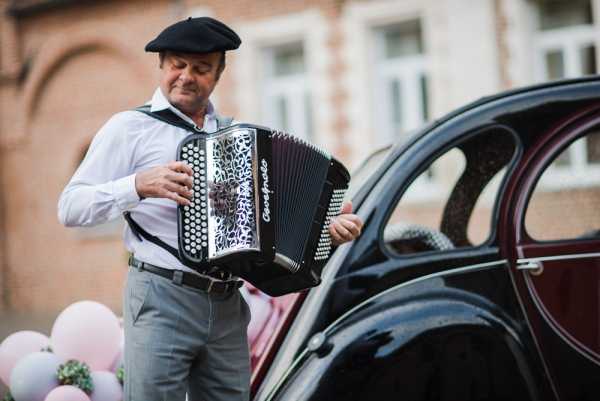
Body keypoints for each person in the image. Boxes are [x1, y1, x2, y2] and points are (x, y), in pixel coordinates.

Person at [57, 16, 363, 401]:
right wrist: (137, 185)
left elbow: (262, 227)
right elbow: (70, 207)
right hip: (161, 295)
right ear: (162, 65)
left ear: (218, 75)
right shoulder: (130, 128)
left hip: (227, 305)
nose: (186, 76)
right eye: (177, 65)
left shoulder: (234, 137)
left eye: (201, 68)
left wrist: (325, 233)